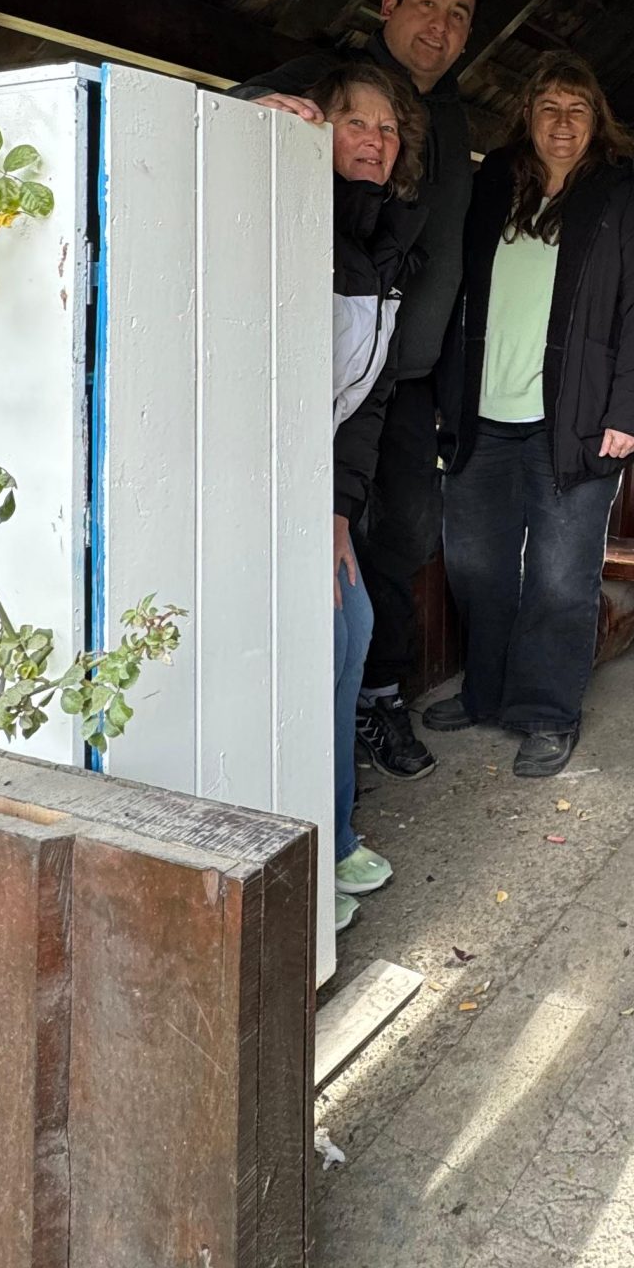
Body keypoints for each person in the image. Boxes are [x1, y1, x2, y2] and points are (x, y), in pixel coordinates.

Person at [241, 0, 481, 783]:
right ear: (389, 4)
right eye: (427, 3)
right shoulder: (332, 77)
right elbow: (232, 112)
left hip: (405, 374)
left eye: (459, 15)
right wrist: (262, 108)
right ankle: (300, 720)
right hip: (315, 375)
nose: (440, 26)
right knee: (310, 540)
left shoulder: (452, 116)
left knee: (404, 530)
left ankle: (376, 697)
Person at [436, 53, 634, 779]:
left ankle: (545, 712)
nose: (563, 123)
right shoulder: (493, 185)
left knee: (561, 577)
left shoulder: (622, 201)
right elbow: (449, 289)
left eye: (577, 109)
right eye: (549, 108)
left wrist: (630, 413)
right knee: (476, 564)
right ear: (527, 116)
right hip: (482, 416)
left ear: (597, 121)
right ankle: (484, 691)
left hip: (573, 422)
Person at [243, 53, 427, 931]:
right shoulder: (277, 204)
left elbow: (367, 405)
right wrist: (254, 106)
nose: (375, 140)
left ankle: (336, 833)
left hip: (315, 487)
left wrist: (336, 517)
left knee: (351, 628)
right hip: (246, 480)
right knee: (315, 644)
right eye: (356, 121)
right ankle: (300, 857)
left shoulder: (384, 243)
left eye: (388, 129)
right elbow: (183, 144)